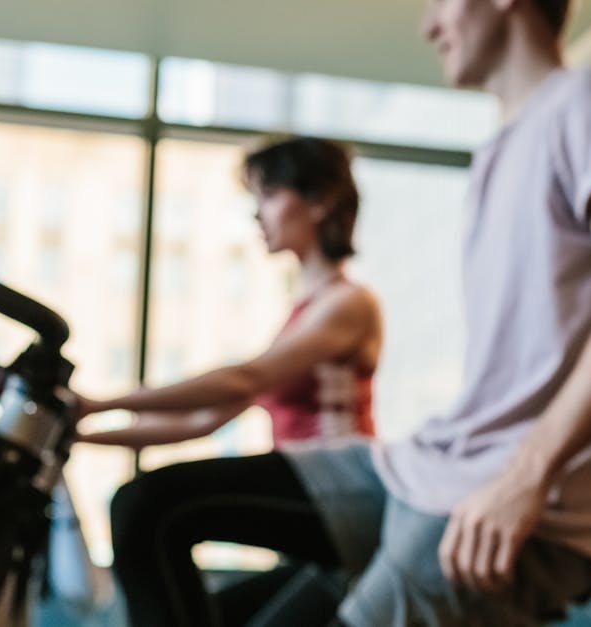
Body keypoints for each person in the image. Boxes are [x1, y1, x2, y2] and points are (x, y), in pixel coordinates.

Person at [81, 0, 591, 624]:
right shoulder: (496, 155)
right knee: (145, 507)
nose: (429, 26)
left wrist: (523, 480)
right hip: (426, 466)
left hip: (516, 503)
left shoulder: (585, 102)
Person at [75, 137, 382, 626]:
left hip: (348, 488)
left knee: (142, 505)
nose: (257, 215)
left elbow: (243, 381)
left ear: (321, 201)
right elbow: (201, 420)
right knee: (209, 613)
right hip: (315, 508)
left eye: (269, 194)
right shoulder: (301, 317)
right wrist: (81, 432)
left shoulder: (349, 304)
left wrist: (98, 402)